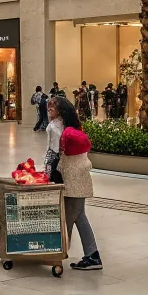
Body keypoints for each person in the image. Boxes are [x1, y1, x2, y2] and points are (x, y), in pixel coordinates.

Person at [51, 97, 102, 270]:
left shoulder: (62, 131)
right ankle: (92, 255)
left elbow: (55, 155)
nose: (50, 110)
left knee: (69, 219)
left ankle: (61, 255)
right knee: (79, 216)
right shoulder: (75, 128)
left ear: (61, 112)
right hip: (80, 179)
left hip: (73, 182)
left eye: (53, 107)